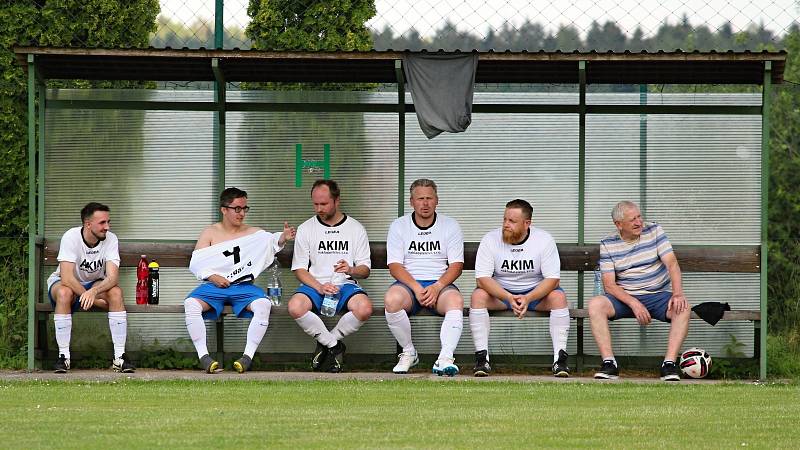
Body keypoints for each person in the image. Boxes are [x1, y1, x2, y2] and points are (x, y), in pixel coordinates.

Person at [185, 187, 295, 374]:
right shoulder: (210, 233)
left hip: (243, 287)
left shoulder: (254, 233)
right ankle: (204, 357)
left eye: (245, 208)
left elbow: (272, 242)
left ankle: (247, 358)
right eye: (237, 209)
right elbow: (196, 262)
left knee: (263, 304)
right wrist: (213, 277)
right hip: (214, 286)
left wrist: (283, 237)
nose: (242, 213)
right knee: (191, 304)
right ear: (224, 209)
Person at [589, 200, 690, 381]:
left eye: (639, 217)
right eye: (632, 220)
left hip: (657, 296)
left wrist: (677, 293)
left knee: (682, 307)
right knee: (596, 304)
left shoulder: (655, 231)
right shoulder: (607, 244)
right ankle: (609, 364)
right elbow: (609, 285)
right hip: (625, 298)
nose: (639, 223)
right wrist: (634, 303)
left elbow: (672, 264)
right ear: (619, 225)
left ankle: (669, 364)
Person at [469, 199, 571, 377]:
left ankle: (559, 360)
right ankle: (482, 359)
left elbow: (553, 280)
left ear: (527, 223)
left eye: (512, 221)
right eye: (505, 219)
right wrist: (509, 297)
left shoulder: (544, 240)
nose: (506, 225)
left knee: (558, 298)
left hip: (535, 295)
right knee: (478, 296)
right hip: (501, 295)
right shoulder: (490, 239)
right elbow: (482, 279)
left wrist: (528, 298)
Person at [288, 179, 373, 373]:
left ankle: (326, 343)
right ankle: (334, 346)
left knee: (364, 308)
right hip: (315, 285)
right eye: (315, 204)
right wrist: (319, 287)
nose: (319, 208)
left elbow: (365, 270)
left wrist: (350, 270)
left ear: (337, 201)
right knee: (295, 306)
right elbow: (299, 269)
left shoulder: (356, 228)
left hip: (345, 286)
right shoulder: (306, 228)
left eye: (324, 204)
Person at [384, 178, 465, 376]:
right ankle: (409, 352)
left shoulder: (450, 225)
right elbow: (394, 265)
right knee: (391, 300)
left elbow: (457, 265)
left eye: (429, 198)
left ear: (437, 200)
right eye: (420, 198)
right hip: (409, 286)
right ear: (411, 201)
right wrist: (415, 287)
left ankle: (445, 358)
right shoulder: (399, 225)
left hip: (440, 285)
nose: (425, 203)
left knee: (456, 300)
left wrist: (437, 287)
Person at [46, 202, 135, 373]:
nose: (107, 227)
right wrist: (91, 297)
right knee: (65, 293)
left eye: (108, 222)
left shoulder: (111, 239)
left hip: (94, 284)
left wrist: (93, 292)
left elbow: (113, 277)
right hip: (65, 283)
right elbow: (66, 277)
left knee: (116, 292)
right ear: (88, 224)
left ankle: (120, 357)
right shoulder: (71, 237)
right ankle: (63, 357)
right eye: (102, 223)